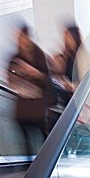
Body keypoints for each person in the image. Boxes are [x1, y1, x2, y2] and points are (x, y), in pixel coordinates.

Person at [8, 25, 56, 154]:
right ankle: (30, 168)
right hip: (22, 111)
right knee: (27, 145)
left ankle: (48, 163)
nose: (20, 41)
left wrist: (34, 73)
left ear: (28, 38)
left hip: (37, 110)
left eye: (22, 37)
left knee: (44, 140)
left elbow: (47, 80)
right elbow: (11, 81)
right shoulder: (15, 58)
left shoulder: (38, 55)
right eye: (18, 38)